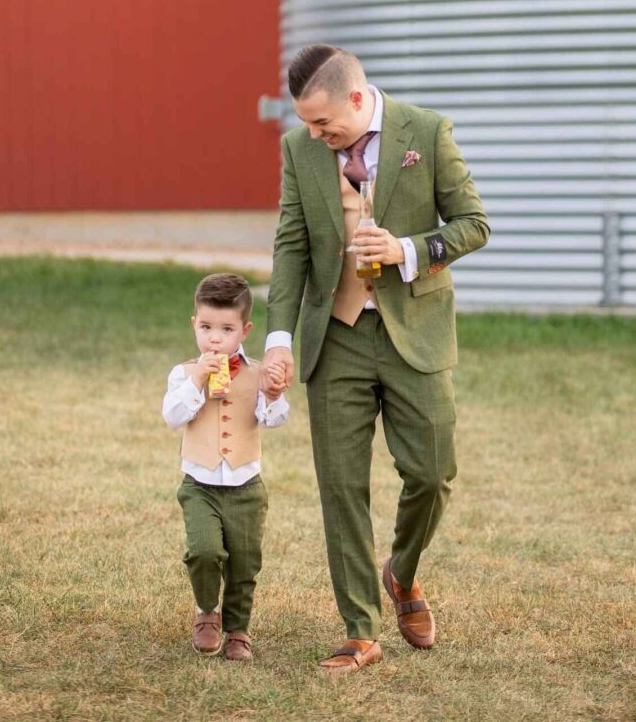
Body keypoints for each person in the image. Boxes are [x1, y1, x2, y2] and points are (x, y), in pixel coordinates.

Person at [261, 46, 489, 674]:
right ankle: (360, 629)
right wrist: (279, 336)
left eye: (324, 123)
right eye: (306, 123)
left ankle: (404, 572)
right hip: (334, 338)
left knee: (433, 472)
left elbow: (474, 224)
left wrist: (407, 249)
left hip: (415, 331)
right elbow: (290, 248)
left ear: (357, 100)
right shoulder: (297, 150)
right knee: (341, 487)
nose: (314, 135)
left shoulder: (429, 131)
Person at [163, 272, 289, 661]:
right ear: (194, 325)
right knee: (204, 551)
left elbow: (274, 418)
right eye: (205, 327)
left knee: (245, 562)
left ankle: (238, 630)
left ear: (245, 330)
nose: (214, 338)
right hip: (200, 483)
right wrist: (198, 380)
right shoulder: (183, 373)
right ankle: (206, 612)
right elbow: (172, 415)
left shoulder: (255, 372)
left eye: (226, 329)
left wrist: (272, 394)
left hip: (246, 484)